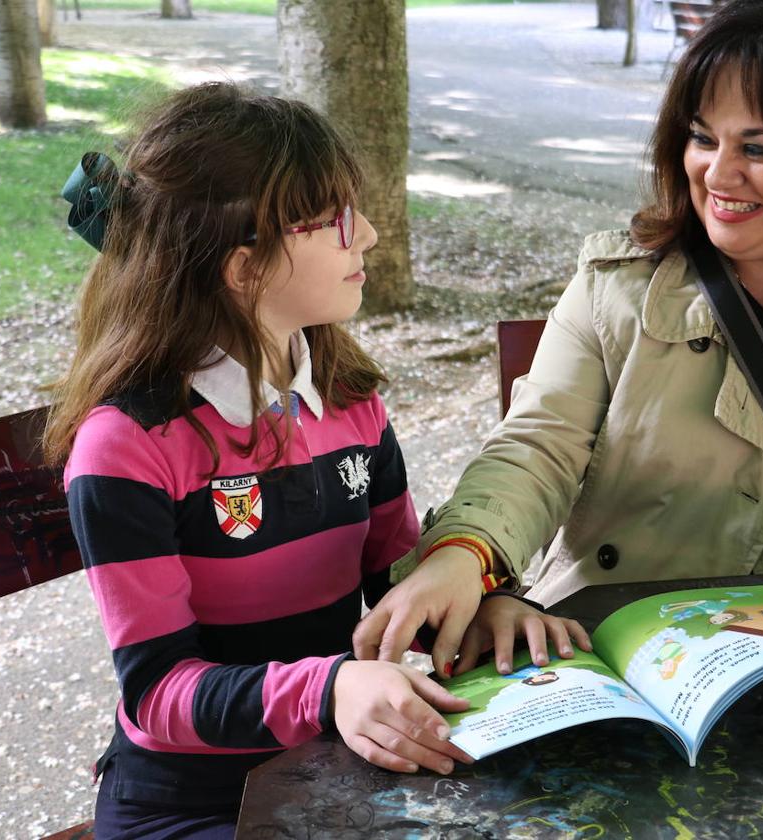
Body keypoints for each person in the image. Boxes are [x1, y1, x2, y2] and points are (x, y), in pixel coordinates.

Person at [354, 0, 763, 677]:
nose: (718, 173)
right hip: (611, 654)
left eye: (758, 148)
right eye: (704, 138)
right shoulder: (615, 286)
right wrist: (463, 555)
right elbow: (537, 449)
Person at [43, 83, 478, 838]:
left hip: (334, 765)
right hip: (196, 804)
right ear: (244, 269)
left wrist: (475, 600)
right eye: (338, 220)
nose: (369, 235)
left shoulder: (348, 397)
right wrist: (328, 689)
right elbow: (158, 694)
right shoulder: (128, 445)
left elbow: (397, 578)